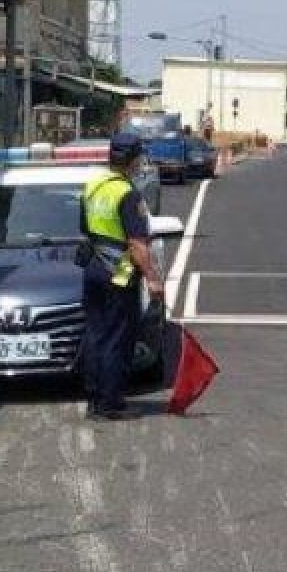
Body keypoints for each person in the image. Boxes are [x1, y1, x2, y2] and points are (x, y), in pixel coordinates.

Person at [79, 132, 164, 421]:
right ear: (131, 160)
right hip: (119, 272)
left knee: (96, 334)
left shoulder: (93, 186)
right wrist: (153, 280)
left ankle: (94, 398)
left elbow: (85, 228)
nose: (141, 162)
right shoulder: (128, 194)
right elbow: (138, 245)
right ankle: (111, 403)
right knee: (118, 336)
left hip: (93, 268)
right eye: (139, 156)